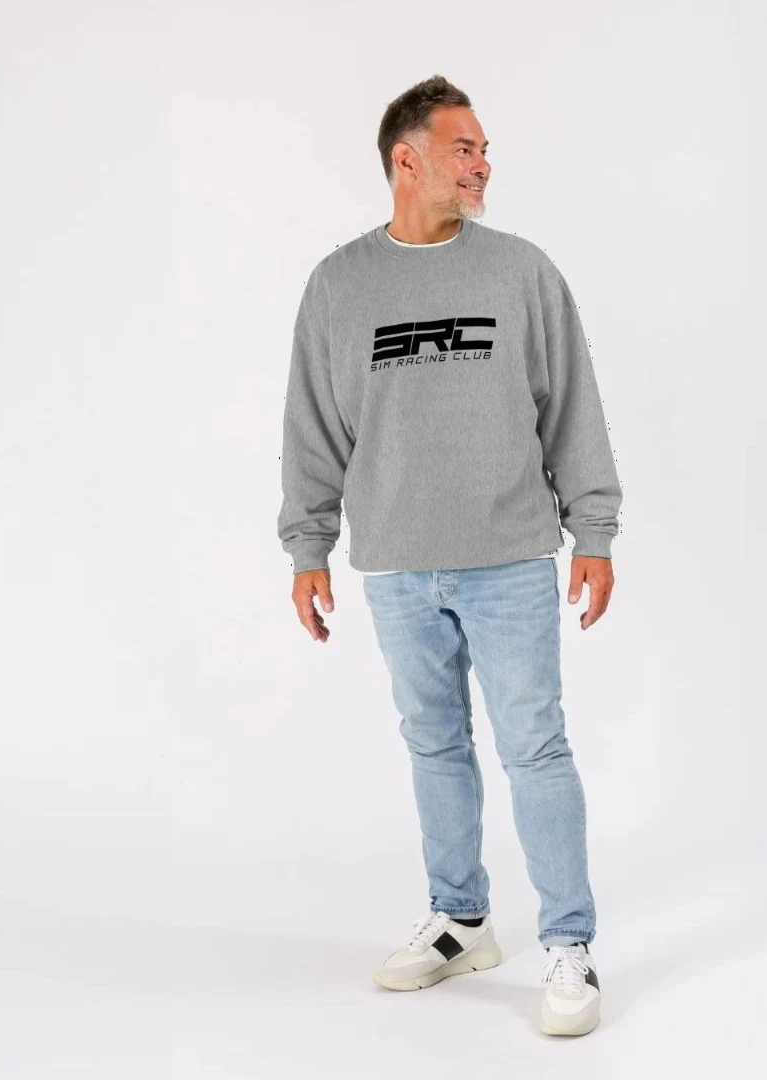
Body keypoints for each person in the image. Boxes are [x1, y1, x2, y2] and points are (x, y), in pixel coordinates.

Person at [277, 74, 621, 1037]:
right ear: (408, 160)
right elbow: (312, 426)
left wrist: (594, 530)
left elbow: (574, 407)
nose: (482, 165)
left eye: (484, 150)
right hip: (395, 566)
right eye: (464, 149)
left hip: (510, 558)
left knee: (535, 749)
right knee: (433, 744)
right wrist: (308, 547)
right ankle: (461, 919)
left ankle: (569, 944)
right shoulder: (340, 284)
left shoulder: (521, 272)